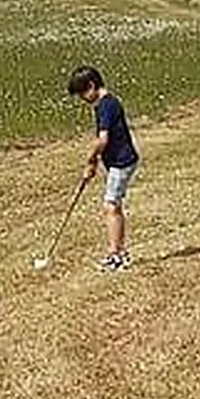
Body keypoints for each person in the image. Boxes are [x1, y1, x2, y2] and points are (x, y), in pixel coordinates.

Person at [67, 65, 138, 271]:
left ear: (91, 86)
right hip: (120, 160)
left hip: (121, 162)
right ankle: (119, 252)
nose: (82, 99)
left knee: (110, 206)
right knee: (113, 205)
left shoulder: (106, 106)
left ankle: (116, 255)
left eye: (82, 93)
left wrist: (90, 160)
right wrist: (96, 162)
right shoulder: (107, 103)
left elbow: (102, 140)